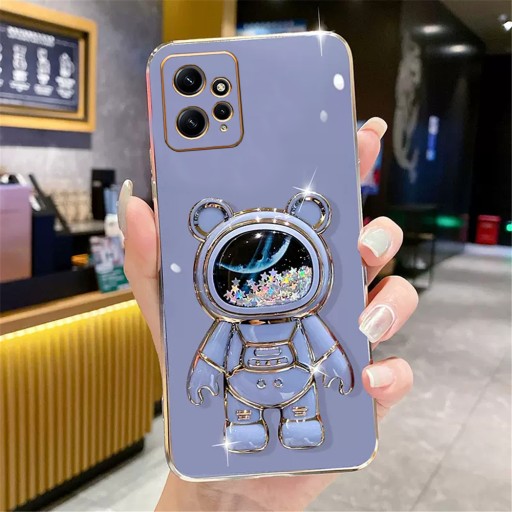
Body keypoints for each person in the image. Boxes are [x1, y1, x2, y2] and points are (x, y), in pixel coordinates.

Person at [118, 117, 418, 511]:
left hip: (297, 382)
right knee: (243, 421)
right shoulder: (230, 325)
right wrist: (202, 375)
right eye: (241, 276)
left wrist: (341, 367)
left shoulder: (303, 318)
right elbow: (211, 354)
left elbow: (326, 347)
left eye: (282, 271)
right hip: (244, 385)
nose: (262, 284)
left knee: (302, 416)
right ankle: (246, 425)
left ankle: (300, 423)